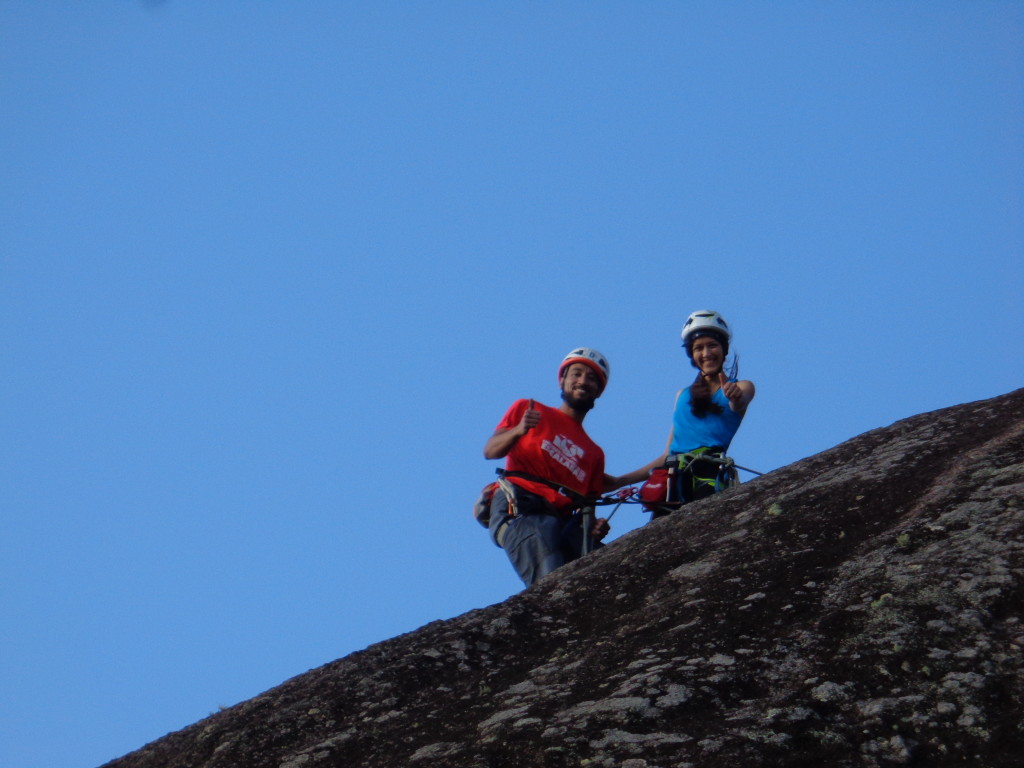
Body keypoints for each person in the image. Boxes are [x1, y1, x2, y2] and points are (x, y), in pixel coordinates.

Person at [483, 347, 620, 587]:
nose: (583, 382)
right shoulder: (528, 408)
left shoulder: (594, 454)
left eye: (591, 379)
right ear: (562, 380)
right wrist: (519, 430)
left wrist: (595, 529)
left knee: (608, 565)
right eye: (576, 374)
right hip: (519, 510)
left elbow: (588, 514)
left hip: (562, 522)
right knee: (550, 564)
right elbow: (491, 451)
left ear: (598, 391)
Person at [620, 310, 755, 516]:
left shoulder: (743, 386)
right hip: (673, 481)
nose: (706, 353)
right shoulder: (681, 396)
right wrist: (619, 482)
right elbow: (668, 455)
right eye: (698, 348)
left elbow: (739, 403)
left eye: (712, 345)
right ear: (692, 355)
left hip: (708, 474)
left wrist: (735, 396)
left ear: (723, 349)